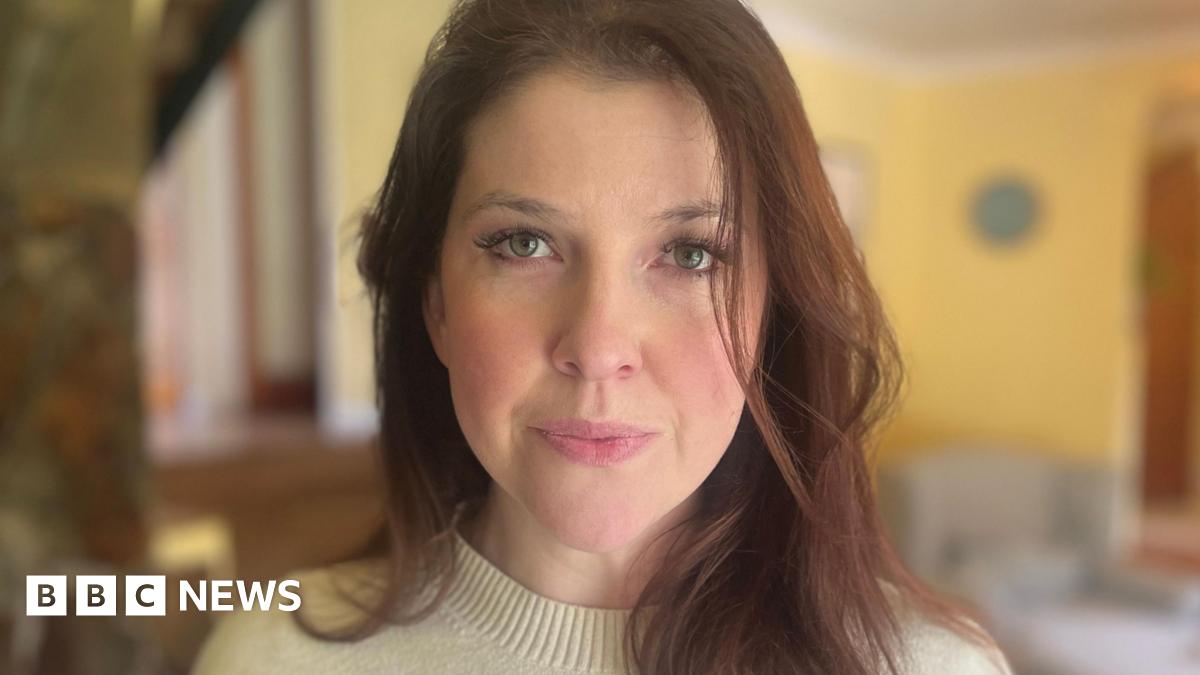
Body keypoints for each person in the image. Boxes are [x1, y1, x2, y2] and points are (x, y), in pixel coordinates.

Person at [193, 0, 1014, 673]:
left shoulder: (935, 668)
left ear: (774, 313)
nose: (597, 346)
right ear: (435, 303)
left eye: (691, 254)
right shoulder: (272, 656)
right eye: (523, 244)